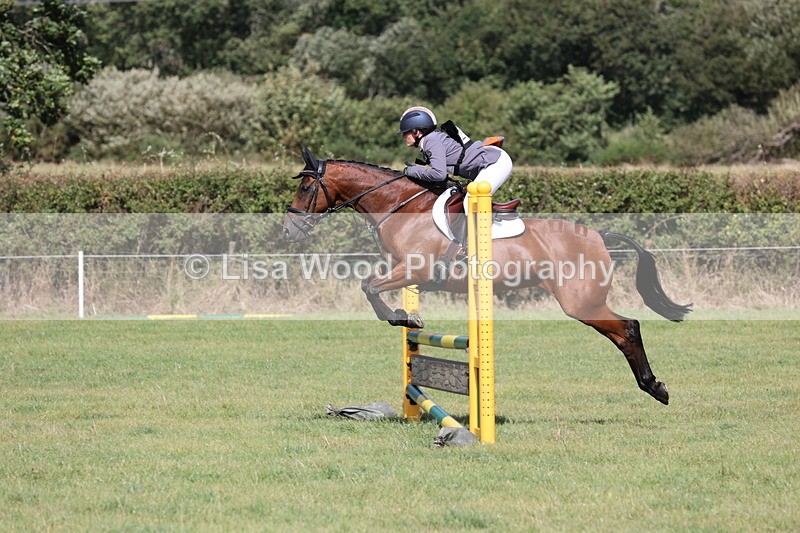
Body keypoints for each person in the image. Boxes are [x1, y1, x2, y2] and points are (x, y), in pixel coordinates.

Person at [397, 106, 513, 246]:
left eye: (405, 133)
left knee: (470, 200)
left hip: (495, 162)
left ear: (416, 132)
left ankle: (477, 246)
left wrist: (412, 171)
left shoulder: (431, 140)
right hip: (487, 163)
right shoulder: (431, 140)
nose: (403, 137)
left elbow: (439, 174)